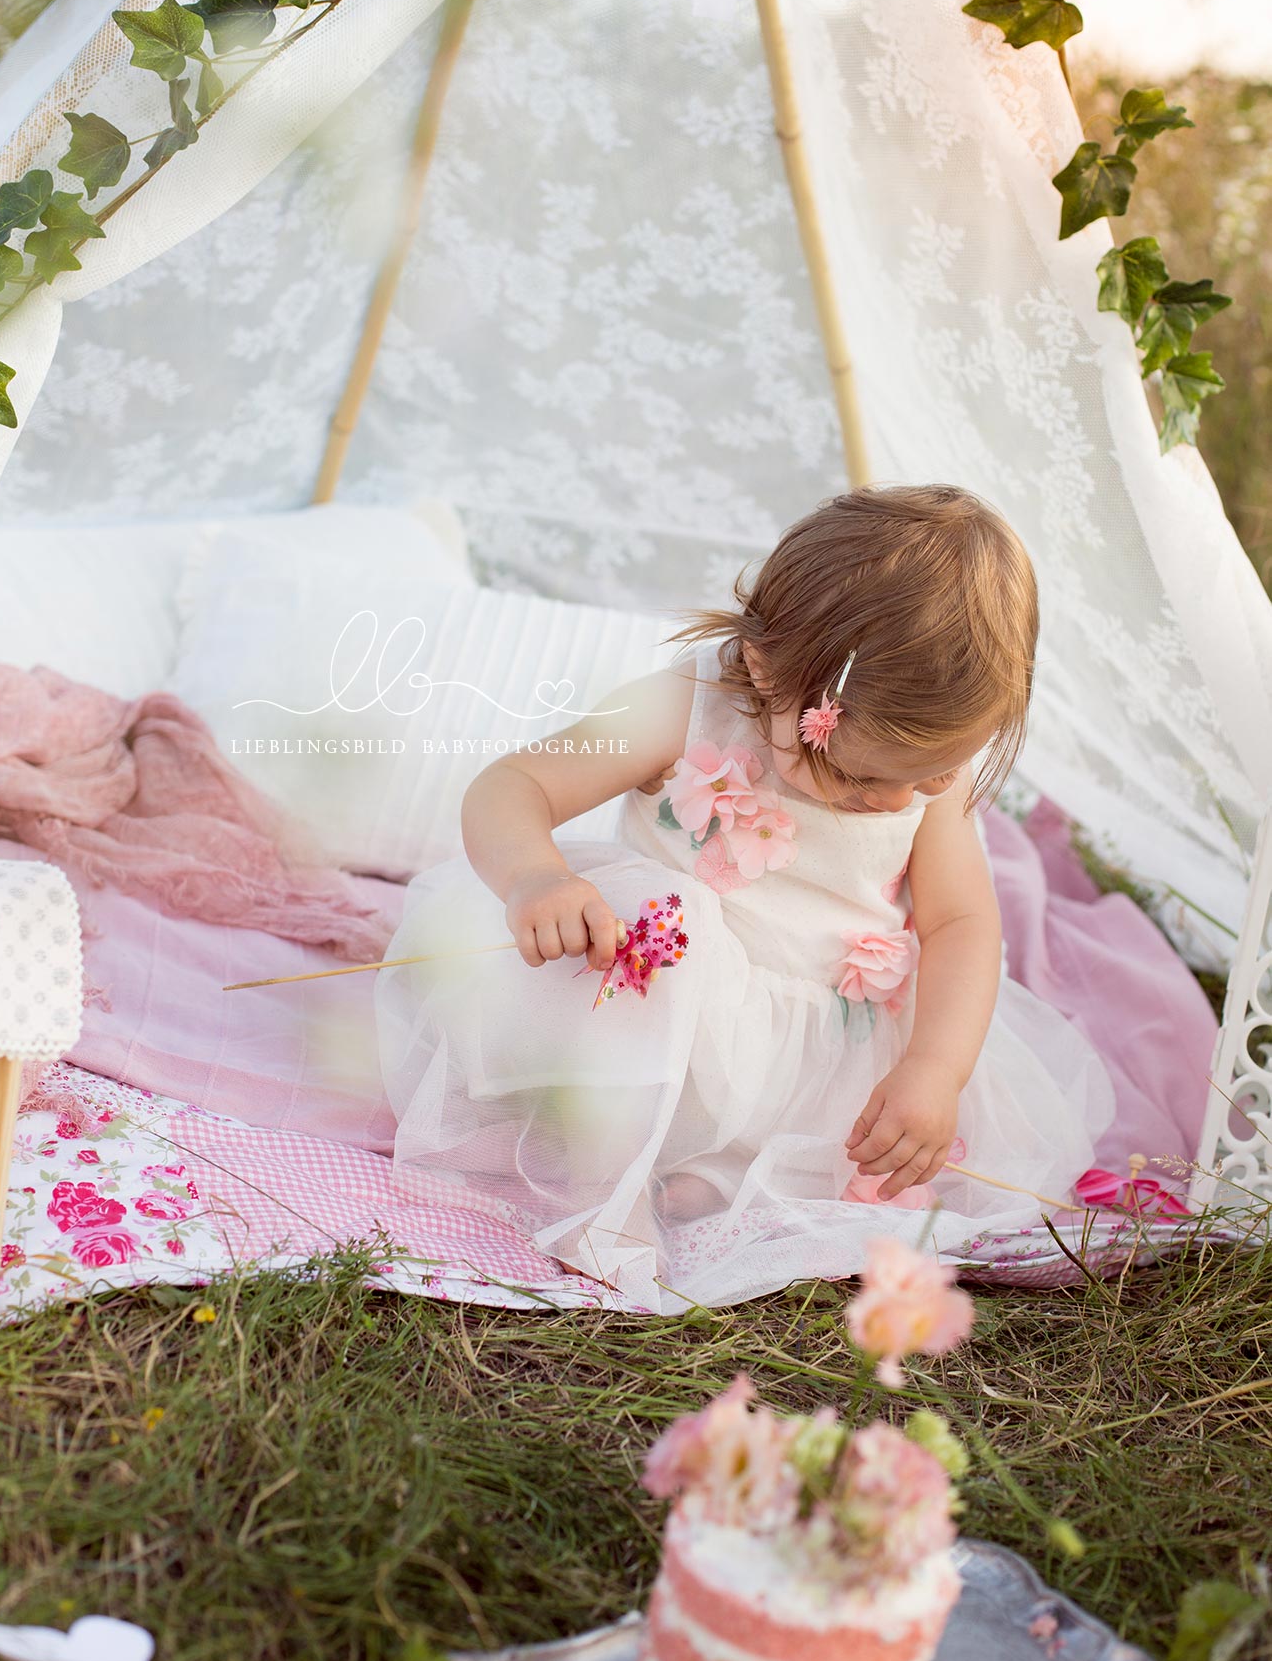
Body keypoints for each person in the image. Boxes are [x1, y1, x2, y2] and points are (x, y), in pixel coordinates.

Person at [375, 485, 1114, 1311]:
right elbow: (515, 785)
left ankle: (716, 1175)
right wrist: (535, 878)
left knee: (865, 1137)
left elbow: (961, 924)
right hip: (658, 1011)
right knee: (667, 926)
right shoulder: (685, 706)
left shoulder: (918, 773)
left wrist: (933, 1070)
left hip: (814, 1053)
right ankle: (605, 1187)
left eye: (934, 775)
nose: (905, 798)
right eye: (866, 777)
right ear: (765, 671)